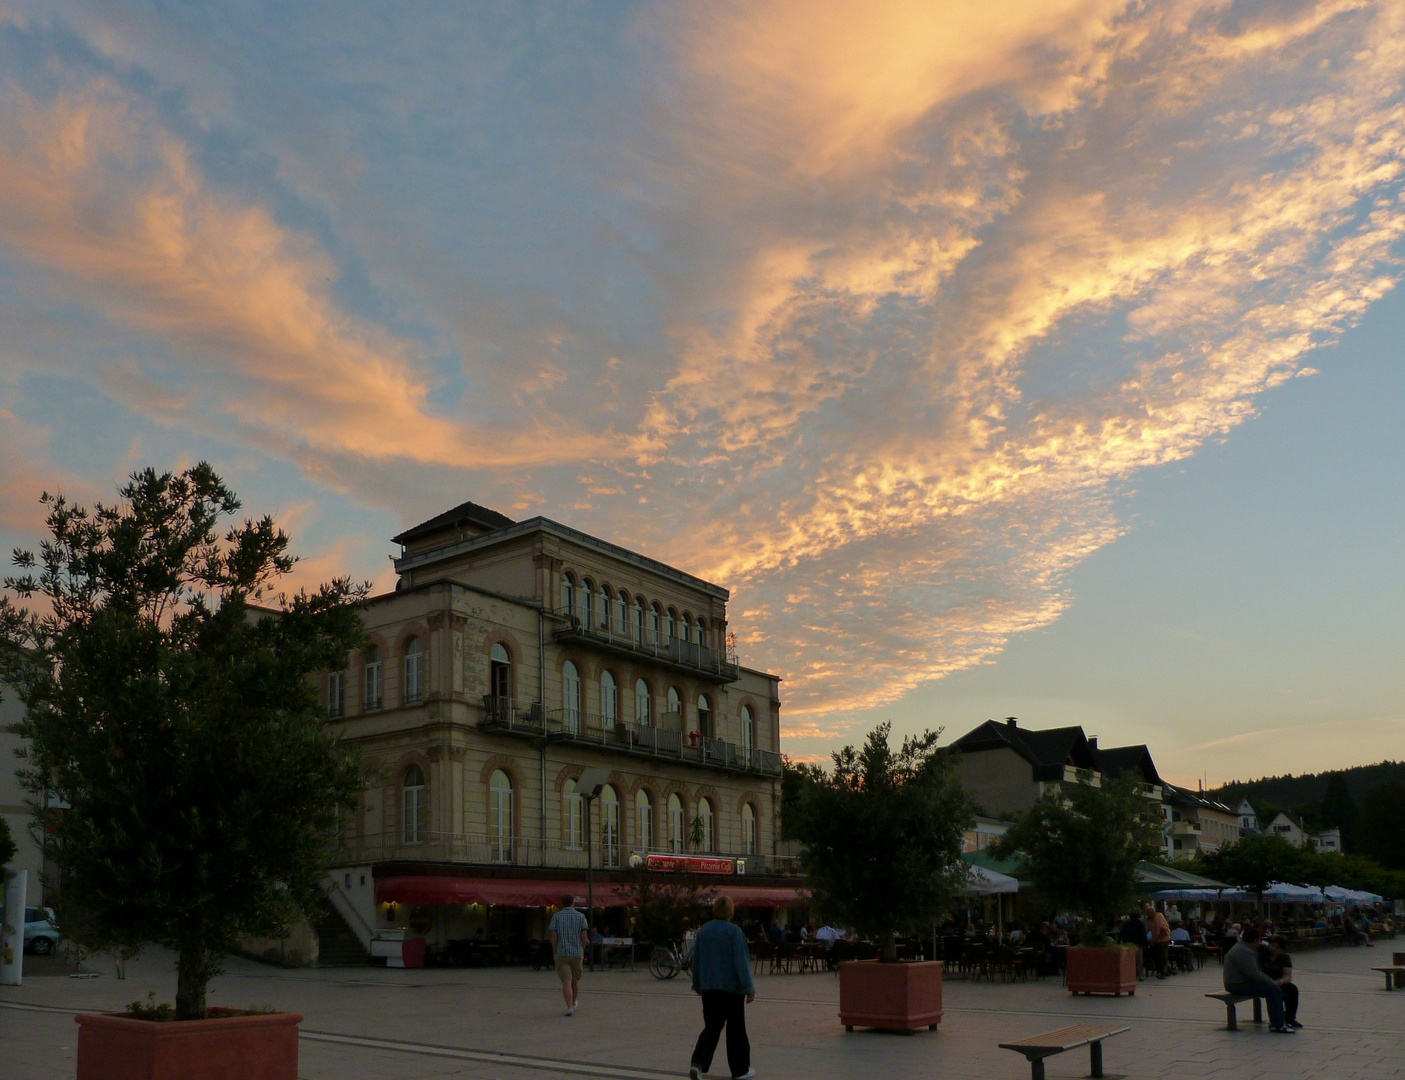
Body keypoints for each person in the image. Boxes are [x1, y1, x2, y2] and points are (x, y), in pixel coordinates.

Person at [689, 895, 757, 1080]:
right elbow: (740, 962)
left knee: (711, 1027)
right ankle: (740, 1069)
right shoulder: (734, 932)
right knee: (736, 1030)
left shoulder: (704, 931)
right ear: (730, 911)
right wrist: (748, 987)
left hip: (710, 988)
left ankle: (698, 1063)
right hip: (732, 990)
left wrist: (698, 983)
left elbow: (696, 960)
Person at [1224, 926, 1294, 1034]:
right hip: (1237, 985)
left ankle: (1280, 1021)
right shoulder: (1245, 951)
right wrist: (1270, 980)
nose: (1260, 943)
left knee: (1275, 988)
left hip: (1238, 982)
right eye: (1259, 940)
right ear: (1255, 940)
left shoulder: (1243, 947)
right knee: (1272, 988)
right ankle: (1278, 1024)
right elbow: (1253, 973)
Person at [548, 896, 590, 1017]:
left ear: (562, 903)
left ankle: (569, 1006)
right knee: (575, 981)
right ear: (573, 902)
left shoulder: (556, 917)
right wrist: (581, 950)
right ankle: (573, 1002)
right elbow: (584, 937)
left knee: (566, 980)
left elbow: (554, 937)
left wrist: (554, 951)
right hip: (576, 953)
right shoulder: (581, 917)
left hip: (562, 953)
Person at [1258, 934, 1302, 1028]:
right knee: (1278, 993)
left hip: (1278, 982)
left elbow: (1288, 976)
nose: (1274, 949)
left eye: (1277, 947)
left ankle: (1290, 1018)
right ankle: (1276, 1019)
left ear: (1282, 950)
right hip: (1264, 982)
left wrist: (1280, 981)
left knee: (1293, 990)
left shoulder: (1285, 958)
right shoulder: (1263, 953)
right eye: (1272, 945)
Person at [1146, 905, 1171, 978]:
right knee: (1156, 956)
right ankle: (1162, 970)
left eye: (1148, 914)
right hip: (1156, 941)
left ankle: (1164, 972)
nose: (1147, 916)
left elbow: (1163, 930)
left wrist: (1156, 939)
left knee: (1162, 956)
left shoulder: (1159, 917)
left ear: (1151, 913)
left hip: (1162, 940)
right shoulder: (1152, 920)